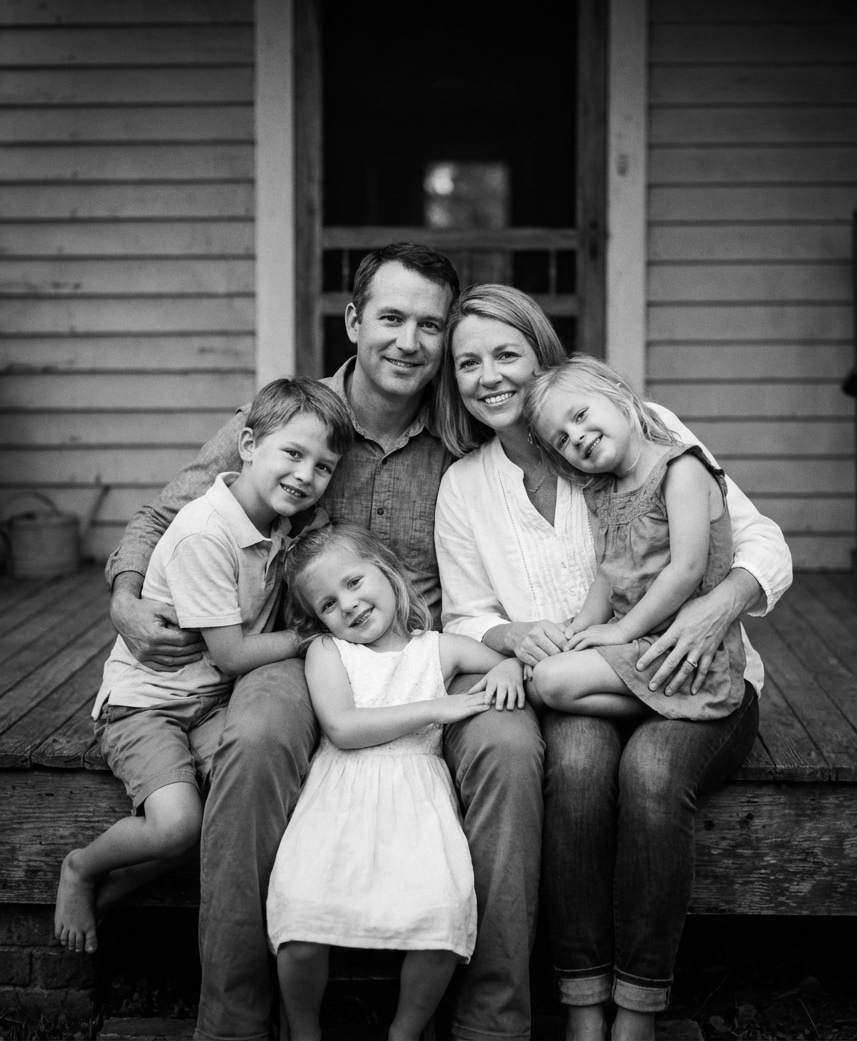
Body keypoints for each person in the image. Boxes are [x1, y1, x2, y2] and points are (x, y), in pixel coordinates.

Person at [105, 243, 545, 1041]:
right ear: (352, 321)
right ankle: (236, 1020)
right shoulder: (293, 419)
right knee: (255, 738)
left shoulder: (461, 427)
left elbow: (565, 438)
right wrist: (127, 596)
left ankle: (490, 1020)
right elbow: (167, 512)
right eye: (391, 318)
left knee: (511, 750)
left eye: (430, 325)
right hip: (303, 645)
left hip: (430, 648)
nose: (409, 341)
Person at [432, 284, 792, 1041]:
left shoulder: (641, 432)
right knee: (578, 772)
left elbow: (761, 539)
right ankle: (582, 1002)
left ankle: (639, 1009)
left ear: (542, 356)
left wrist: (718, 605)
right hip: (589, 682)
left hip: (696, 671)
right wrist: (515, 638)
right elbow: (468, 613)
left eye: (507, 354)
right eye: (468, 363)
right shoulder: (465, 484)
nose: (489, 376)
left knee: (653, 775)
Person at [56, 377, 353, 956]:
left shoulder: (278, 522)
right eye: (293, 454)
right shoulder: (204, 533)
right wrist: (311, 635)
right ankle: (82, 868)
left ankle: (115, 891)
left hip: (209, 702)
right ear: (247, 445)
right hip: (146, 706)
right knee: (177, 825)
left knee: (249, 799)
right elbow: (232, 654)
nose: (305, 475)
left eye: (323, 467)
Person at [266, 521, 524, 1041]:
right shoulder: (328, 652)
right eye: (329, 604)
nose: (349, 605)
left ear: (385, 570)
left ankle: (405, 1032)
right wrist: (437, 707)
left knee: (441, 920)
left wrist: (510, 668)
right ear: (317, 619)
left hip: (418, 806)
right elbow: (343, 728)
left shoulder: (438, 649)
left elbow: (506, 662)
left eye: (354, 582)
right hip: (339, 802)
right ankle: (303, 1031)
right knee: (302, 919)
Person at [523, 352, 746, 723]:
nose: (576, 436)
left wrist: (621, 632)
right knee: (538, 682)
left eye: (580, 415)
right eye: (561, 440)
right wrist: (576, 631)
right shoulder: (603, 491)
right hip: (636, 641)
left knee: (550, 680)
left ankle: (684, 699)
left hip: (683, 644)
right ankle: (657, 706)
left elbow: (687, 568)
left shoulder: (680, 470)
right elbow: (607, 574)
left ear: (618, 395)